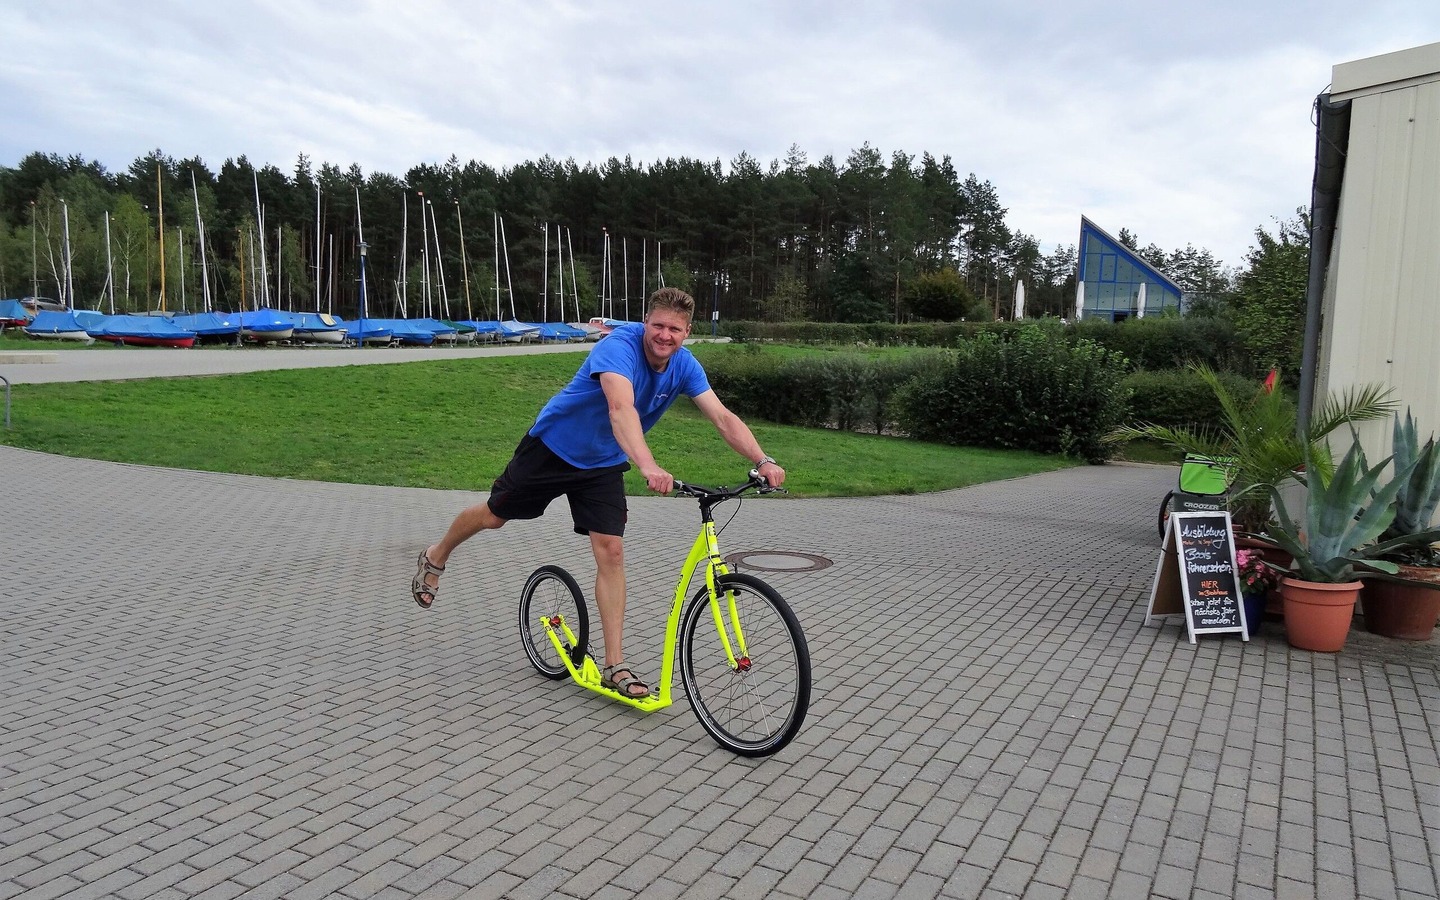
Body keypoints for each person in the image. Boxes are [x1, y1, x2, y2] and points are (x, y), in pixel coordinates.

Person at [410, 287, 786, 699]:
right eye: (658, 325)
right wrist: (648, 465)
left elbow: (722, 417)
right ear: (646, 323)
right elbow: (620, 408)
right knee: (495, 515)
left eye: (674, 329)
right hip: (553, 448)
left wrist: (762, 459)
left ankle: (614, 665)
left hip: (603, 462)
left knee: (611, 550)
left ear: (687, 332)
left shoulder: (685, 365)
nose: (665, 335)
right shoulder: (619, 349)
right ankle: (437, 554)